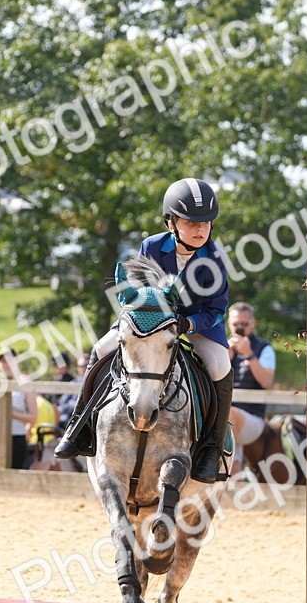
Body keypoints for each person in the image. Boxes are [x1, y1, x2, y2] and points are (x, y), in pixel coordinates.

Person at [55, 177, 233, 483]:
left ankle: (212, 448)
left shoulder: (214, 258)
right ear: (172, 223)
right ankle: (80, 426)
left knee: (220, 365)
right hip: (151, 323)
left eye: (205, 223)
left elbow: (217, 310)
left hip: (196, 324)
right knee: (100, 349)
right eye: (191, 223)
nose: (200, 229)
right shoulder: (151, 246)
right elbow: (137, 292)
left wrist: (187, 324)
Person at [226, 302, 276, 468]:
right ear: (228, 324)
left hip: (253, 418)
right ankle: (232, 484)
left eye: (244, 324)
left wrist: (249, 355)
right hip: (230, 417)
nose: (240, 328)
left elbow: (267, 382)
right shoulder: (223, 348)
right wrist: (225, 358)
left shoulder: (263, 348)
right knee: (227, 420)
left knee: (227, 417)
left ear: (253, 323)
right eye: (235, 324)